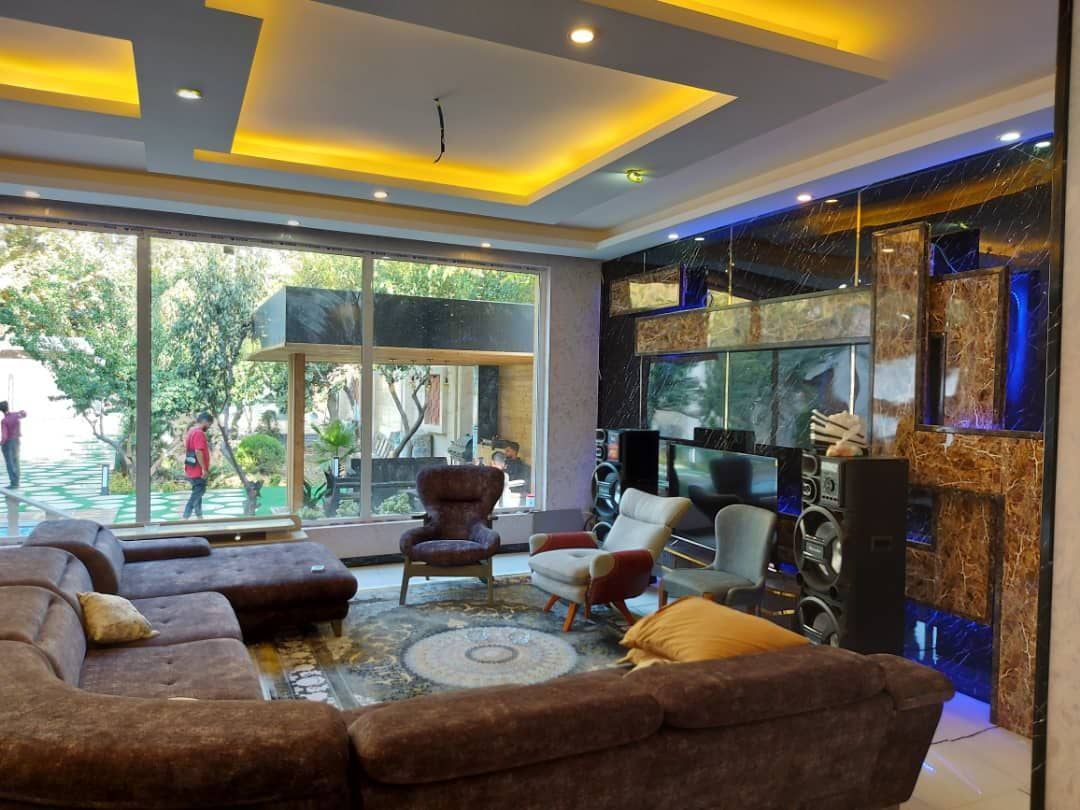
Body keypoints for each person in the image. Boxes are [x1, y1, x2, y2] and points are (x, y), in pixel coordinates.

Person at [182, 411, 214, 519]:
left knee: (198, 493)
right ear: (204, 421)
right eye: (209, 424)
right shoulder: (199, 433)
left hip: (191, 469)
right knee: (199, 492)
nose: (209, 427)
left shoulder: (191, 432)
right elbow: (198, 451)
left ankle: (199, 517)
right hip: (198, 471)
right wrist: (204, 469)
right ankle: (185, 517)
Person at [0, 401, 26, 489]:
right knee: (16, 462)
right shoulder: (16, 415)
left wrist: (1, 443)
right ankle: (17, 482)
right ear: (8, 407)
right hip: (17, 441)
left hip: (8, 444)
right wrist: (21, 412)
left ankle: (13, 484)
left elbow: (4, 436)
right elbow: (24, 414)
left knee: (10, 463)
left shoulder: (4, 421)